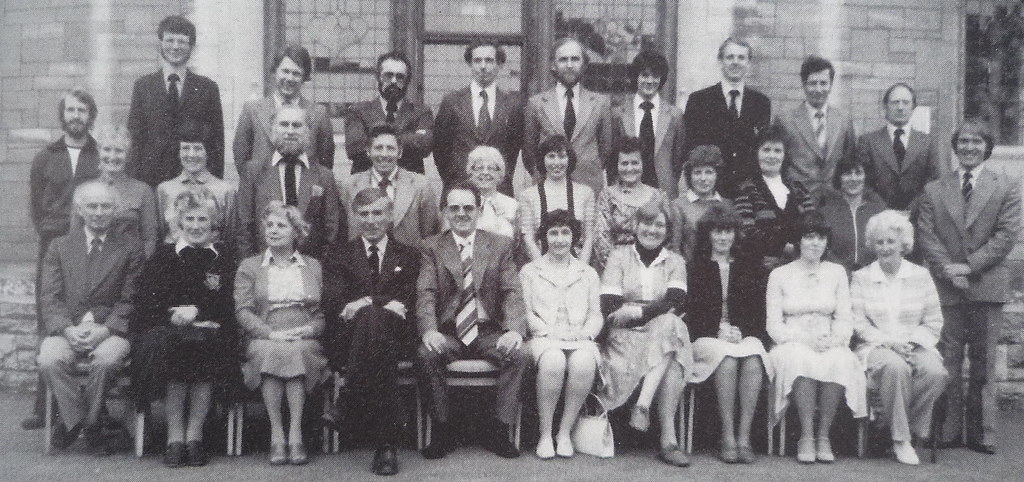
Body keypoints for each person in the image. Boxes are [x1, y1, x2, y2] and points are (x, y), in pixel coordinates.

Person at [918, 121, 1022, 455]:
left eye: (976, 142)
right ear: (955, 146)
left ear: (987, 147)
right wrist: (949, 270)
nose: (969, 147)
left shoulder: (1007, 186)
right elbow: (926, 234)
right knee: (947, 359)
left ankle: (982, 433)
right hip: (947, 286)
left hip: (986, 284)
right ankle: (947, 431)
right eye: (963, 141)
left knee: (983, 361)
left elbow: (1006, 236)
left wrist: (969, 265)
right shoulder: (935, 189)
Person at [416, 181, 530, 460]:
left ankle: (499, 430)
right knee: (425, 354)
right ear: (444, 212)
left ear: (479, 210)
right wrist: (429, 330)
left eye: (468, 207)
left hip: (488, 330)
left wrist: (514, 329)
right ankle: (443, 430)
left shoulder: (499, 245)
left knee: (521, 353)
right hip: (450, 332)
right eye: (454, 208)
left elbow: (512, 292)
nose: (462, 213)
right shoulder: (432, 247)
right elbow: (426, 293)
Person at [132, 191, 240, 467]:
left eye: (202, 219)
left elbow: (229, 300)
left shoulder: (224, 257)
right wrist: (176, 314)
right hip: (168, 330)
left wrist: (199, 311)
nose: (195, 225)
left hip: (213, 331)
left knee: (202, 347)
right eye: (189, 219)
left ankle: (194, 437)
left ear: (213, 223)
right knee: (180, 347)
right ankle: (174, 437)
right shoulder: (163, 256)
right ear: (179, 223)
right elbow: (147, 299)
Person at [37, 181, 144, 454]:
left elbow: (130, 299)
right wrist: (65, 330)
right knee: (49, 359)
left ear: (115, 210)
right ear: (80, 210)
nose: (98, 212)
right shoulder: (59, 246)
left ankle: (88, 423)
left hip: (111, 330)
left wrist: (105, 330)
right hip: (68, 328)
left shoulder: (130, 248)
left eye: (105, 206)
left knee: (106, 360)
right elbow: (50, 297)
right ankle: (80, 422)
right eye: (92, 206)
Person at [321, 188, 420, 476]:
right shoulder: (339, 255)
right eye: (364, 214)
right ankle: (386, 445)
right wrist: (380, 303)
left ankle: (348, 398)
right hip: (348, 340)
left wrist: (364, 301)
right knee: (374, 323)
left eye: (378, 213)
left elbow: (410, 300)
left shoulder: (409, 255)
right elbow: (335, 302)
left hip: (397, 338)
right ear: (354, 216)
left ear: (390, 216)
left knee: (374, 323)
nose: (371, 220)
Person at [24, 88, 101, 430]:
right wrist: (54, 233)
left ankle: (101, 408)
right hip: (53, 246)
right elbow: (36, 207)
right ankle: (45, 407)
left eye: (82, 110)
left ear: (90, 115)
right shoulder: (45, 157)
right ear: (62, 115)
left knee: (91, 312)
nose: (76, 116)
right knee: (50, 320)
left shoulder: (99, 155)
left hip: (89, 246)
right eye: (71, 110)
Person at [765, 212, 867, 464]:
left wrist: (835, 339)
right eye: (809, 237)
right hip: (790, 340)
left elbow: (845, 318)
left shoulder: (837, 273)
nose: (815, 243)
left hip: (827, 337)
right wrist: (803, 339)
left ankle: (824, 436)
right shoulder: (779, 274)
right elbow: (773, 325)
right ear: (798, 241)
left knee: (840, 360)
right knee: (800, 360)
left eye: (820, 237)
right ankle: (806, 436)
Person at [598, 200, 693, 467]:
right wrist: (644, 313)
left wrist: (637, 312)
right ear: (636, 226)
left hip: (659, 329)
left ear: (668, 230)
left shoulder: (675, 261)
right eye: (647, 223)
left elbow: (676, 301)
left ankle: (643, 405)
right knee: (671, 339)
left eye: (660, 225)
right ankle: (668, 440)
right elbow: (609, 305)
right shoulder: (619, 256)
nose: (653, 230)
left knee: (670, 325)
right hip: (625, 336)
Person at [234, 201, 329, 465]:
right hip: (265, 333)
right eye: (269, 225)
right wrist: (268, 333)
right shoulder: (250, 267)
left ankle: (295, 433)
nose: (273, 231)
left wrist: (309, 330)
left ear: (296, 232)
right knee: (272, 350)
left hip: (304, 334)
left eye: (281, 225)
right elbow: (243, 311)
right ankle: (278, 434)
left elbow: (322, 314)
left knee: (297, 350)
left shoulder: (312, 266)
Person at [851, 210, 948, 465]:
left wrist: (911, 343)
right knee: (895, 367)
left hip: (915, 343)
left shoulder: (920, 276)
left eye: (891, 242)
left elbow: (933, 320)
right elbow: (858, 322)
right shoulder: (861, 278)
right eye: (879, 242)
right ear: (872, 245)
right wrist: (889, 342)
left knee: (935, 372)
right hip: (876, 345)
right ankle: (901, 440)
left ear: (903, 244)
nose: (885, 248)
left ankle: (889, 429)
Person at [685, 204, 768, 464]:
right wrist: (718, 331)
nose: (723, 237)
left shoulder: (748, 267)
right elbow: (691, 316)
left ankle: (744, 437)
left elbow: (757, 312)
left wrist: (740, 330)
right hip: (707, 338)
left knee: (754, 357)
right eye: (717, 231)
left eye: (728, 231)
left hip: (740, 335)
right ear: (708, 235)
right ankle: (727, 435)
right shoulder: (695, 268)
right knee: (728, 359)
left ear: (735, 234)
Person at [520, 209, 602, 460]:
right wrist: (548, 331)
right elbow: (526, 313)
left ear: (574, 237)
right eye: (553, 233)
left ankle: (564, 432)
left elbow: (595, 314)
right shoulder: (530, 271)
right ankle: (545, 434)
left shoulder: (587, 273)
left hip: (579, 338)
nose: (559, 239)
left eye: (565, 233)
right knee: (554, 360)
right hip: (544, 337)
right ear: (544, 237)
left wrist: (585, 334)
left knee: (584, 362)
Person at [235, 106, 344, 261]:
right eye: (284, 124)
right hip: (264, 268)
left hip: (309, 270)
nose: (290, 131)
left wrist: (319, 272)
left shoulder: (324, 176)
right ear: (273, 129)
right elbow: (244, 229)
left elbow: (332, 231)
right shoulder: (253, 172)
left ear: (307, 131)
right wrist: (252, 271)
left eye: (297, 125)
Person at [127, 15, 224, 186]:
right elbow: (135, 141)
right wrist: (136, 186)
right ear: (161, 44)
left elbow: (216, 143)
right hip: (151, 181)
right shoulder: (143, 86)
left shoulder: (207, 88)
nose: (175, 47)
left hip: (194, 182)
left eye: (182, 42)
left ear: (191, 46)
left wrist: (212, 185)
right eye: (169, 40)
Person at [684, 37, 771, 199]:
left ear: (749, 63)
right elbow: (690, 150)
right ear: (720, 61)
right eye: (730, 57)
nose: (735, 62)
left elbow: (761, 148)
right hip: (709, 193)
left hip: (748, 193)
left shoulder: (761, 103)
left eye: (741, 58)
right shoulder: (699, 101)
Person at [523, 37, 613, 194]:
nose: (569, 65)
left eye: (575, 59)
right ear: (553, 65)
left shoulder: (600, 103)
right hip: (548, 186)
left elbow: (606, 150)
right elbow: (529, 152)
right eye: (563, 60)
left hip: (588, 187)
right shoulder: (536, 103)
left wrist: (590, 170)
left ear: (584, 65)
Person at [434, 39, 524, 194]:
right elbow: (440, 149)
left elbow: (512, 151)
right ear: (470, 64)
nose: (483, 66)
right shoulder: (452, 102)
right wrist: (455, 180)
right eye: (477, 61)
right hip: (460, 190)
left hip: (498, 191)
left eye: (489, 60)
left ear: (499, 64)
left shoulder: (512, 105)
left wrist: (500, 179)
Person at [233, 44, 335, 175]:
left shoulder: (319, 114)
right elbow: (241, 158)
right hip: (263, 192)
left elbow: (325, 164)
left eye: (296, 73)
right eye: (285, 71)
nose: (290, 78)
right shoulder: (252, 110)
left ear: (304, 78)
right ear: (275, 72)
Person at [340, 124, 440, 249]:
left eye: (390, 148)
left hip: (409, 264)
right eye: (378, 148)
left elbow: (430, 235)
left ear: (400, 152)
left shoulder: (420, 185)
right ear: (368, 151)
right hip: (362, 263)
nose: (384, 154)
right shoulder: (349, 185)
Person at [734, 124, 816, 269]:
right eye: (766, 150)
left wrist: (793, 254)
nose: (772, 156)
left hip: (799, 268)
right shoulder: (746, 189)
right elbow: (747, 232)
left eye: (777, 151)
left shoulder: (799, 189)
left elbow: (813, 226)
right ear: (756, 153)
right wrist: (783, 248)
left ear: (785, 156)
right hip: (759, 269)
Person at [856, 83, 948, 212]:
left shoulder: (927, 142)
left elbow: (933, 182)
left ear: (913, 107)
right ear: (885, 106)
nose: (900, 107)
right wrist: (885, 211)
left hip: (917, 217)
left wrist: (911, 210)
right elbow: (863, 182)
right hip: (878, 217)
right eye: (895, 102)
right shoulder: (868, 141)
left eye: (905, 102)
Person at [777, 56, 857, 194]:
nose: (818, 89)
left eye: (823, 83)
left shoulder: (844, 120)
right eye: (813, 83)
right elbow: (780, 165)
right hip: (798, 201)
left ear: (831, 85)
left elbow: (850, 159)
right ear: (803, 84)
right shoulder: (785, 120)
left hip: (835, 199)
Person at [612, 50, 686, 198]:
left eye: (655, 76)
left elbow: (678, 159)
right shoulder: (619, 113)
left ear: (662, 79)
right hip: (627, 188)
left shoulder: (674, 115)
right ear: (636, 77)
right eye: (644, 75)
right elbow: (612, 157)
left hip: (663, 190)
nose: (650, 81)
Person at [346, 51, 433, 174]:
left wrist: (375, 137)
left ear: (407, 81)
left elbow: (424, 146)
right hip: (367, 184)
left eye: (400, 77)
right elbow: (354, 147)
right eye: (388, 75)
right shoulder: (358, 111)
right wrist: (408, 137)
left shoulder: (421, 112)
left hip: (408, 186)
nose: (393, 81)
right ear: (378, 77)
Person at [518, 135, 597, 265]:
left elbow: (589, 237)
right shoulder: (528, 195)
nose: (556, 163)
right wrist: (544, 270)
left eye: (561, 156)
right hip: (541, 266)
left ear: (569, 159)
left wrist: (580, 270)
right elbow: (528, 239)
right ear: (542, 160)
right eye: (551, 156)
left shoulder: (585, 193)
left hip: (577, 266)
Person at [594, 137, 670, 271]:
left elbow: (668, 238)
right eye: (624, 163)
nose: (630, 168)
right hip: (616, 269)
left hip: (653, 268)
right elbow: (602, 240)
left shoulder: (659, 197)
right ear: (617, 166)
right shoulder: (607, 196)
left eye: (635, 163)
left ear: (643, 164)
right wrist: (623, 270)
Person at [87, 124, 160, 258]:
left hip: (131, 268)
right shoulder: (85, 190)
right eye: (107, 149)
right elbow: (75, 239)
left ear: (128, 155)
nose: (112, 156)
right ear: (99, 151)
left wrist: (136, 269)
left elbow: (150, 239)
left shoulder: (143, 191)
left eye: (119, 151)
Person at [156, 135, 237, 244]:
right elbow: (161, 232)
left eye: (198, 149)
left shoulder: (225, 190)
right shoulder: (164, 189)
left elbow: (229, 234)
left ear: (208, 152)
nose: (191, 154)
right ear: (178, 153)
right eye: (185, 148)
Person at [815, 156, 886, 272]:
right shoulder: (826, 213)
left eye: (858, 173)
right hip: (836, 276)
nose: (853, 179)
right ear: (839, 178)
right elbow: (823, 251)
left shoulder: (879, 212)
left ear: (866, 177)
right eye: (847, 173)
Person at [671, 145, 733, 260]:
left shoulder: (727, 205)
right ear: (690, 176)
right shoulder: (678, 206)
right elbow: (675, 249)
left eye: (709, 172)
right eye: (697, 172)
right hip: (690, 271)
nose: (703, 178)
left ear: (717, 175)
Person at [464, 145, 519, 239]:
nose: (485, 172)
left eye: (491, 168)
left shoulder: (512, 205)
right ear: (470, 173)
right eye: (479, 168)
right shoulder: (462, 202)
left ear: (500, 174)